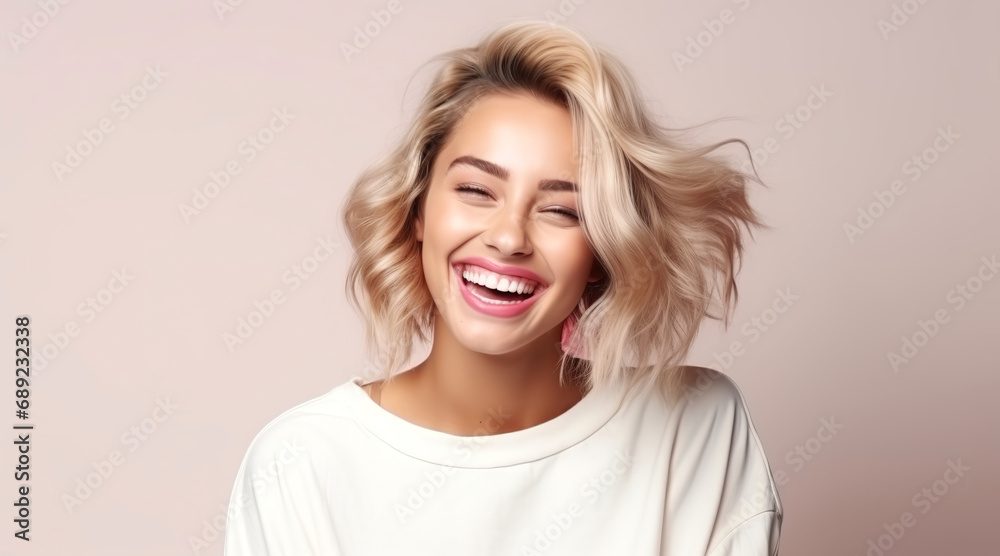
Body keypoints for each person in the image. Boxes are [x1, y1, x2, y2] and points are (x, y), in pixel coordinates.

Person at [224, 20, 782, 555]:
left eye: (562, 209)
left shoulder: (693, 431)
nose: (509, 237)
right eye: (476, 190)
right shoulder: (301, 463)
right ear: (416, 211)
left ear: (602, 252)